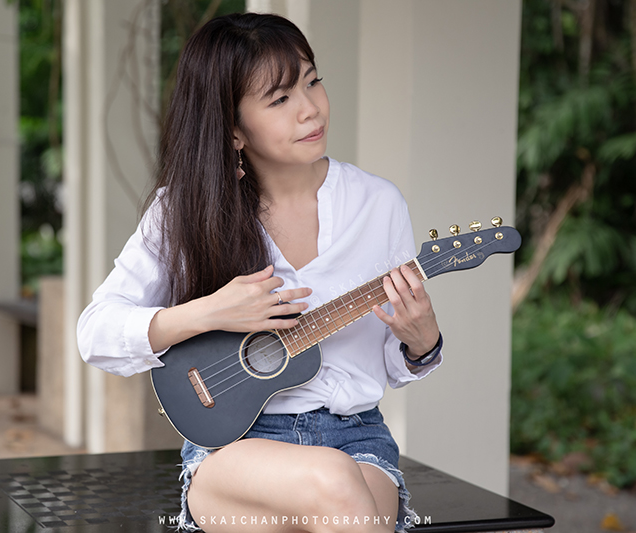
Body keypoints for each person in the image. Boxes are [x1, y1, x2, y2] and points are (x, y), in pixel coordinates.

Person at [77, 12, 443, 533]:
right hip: (233, 448)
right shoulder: (183, 210)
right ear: (232, 129)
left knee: (331, 489)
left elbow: (389, 363)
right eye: (280, 99)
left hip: (358, 440)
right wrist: (210, 312)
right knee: (331, 484)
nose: (310, 109)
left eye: (312, 81)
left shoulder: (378, 205)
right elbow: (96, 334)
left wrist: (421, 341)